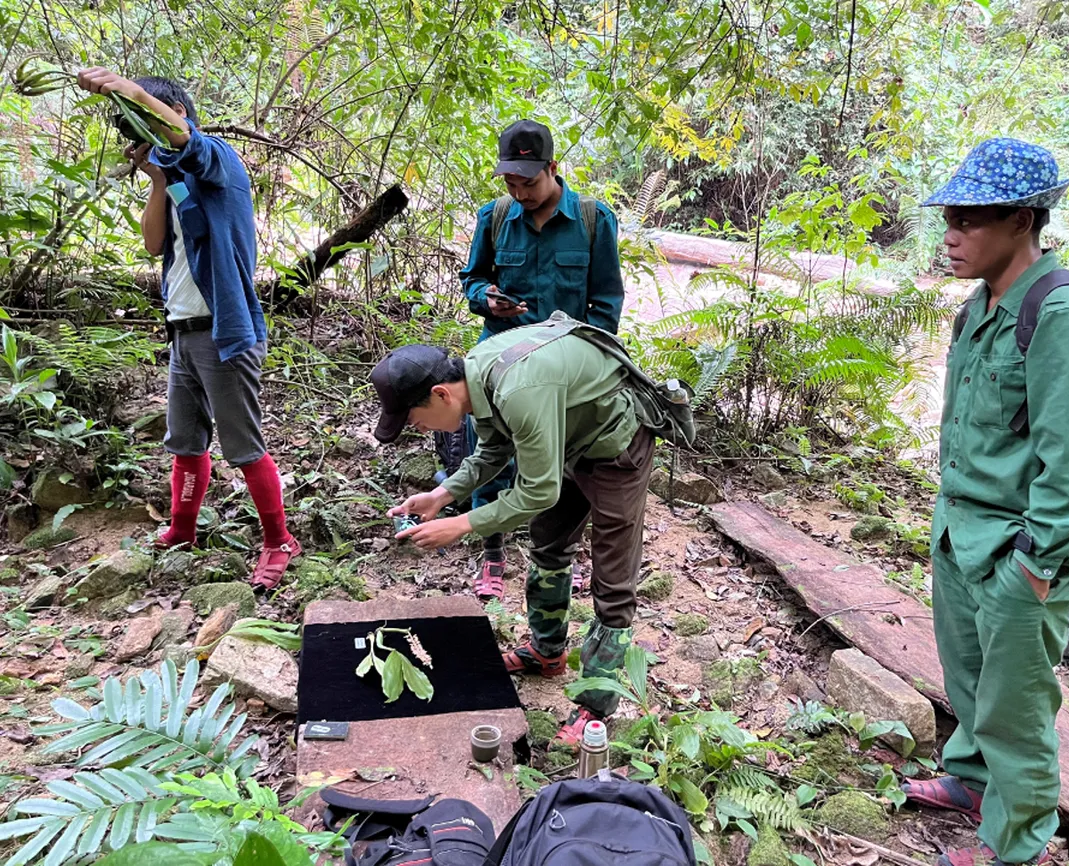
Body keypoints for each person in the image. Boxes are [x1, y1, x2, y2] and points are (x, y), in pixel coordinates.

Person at [902, 138, 1069, 866]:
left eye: (970, 220)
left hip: (1022, 551)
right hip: (961, 532)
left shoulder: (1068, 315)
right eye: (950, 218)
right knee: (969, 683)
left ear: (1023, 221)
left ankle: (1015, 842)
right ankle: (971, 782)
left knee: (1017, 709)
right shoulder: (981, 307)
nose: (952, 235)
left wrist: (1035, 563)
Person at [370, 321, 653, 744]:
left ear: (441, 394)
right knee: (549, 548)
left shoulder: (517, 390)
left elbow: (538, 490)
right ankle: (547, 652)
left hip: (617, 446)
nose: (420, 429)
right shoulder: (477, 381)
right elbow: (493, 451)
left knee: (613, 581)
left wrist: (463, 524)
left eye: (415, 419)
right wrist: (443, 495)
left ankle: (596, 707)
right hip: (565, 441)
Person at [75, 69, 300, 590]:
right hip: (182, 330)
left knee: (243, 445)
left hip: (226, 331)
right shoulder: (174, 179)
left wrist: (127, 90)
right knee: (185, 442)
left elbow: (186, 140)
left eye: (146, 121)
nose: (142, 140)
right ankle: (181, 529)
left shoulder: (218, 160)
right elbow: (155, 244)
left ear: (170, 115)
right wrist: (157, 179)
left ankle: (278, 539)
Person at [456, 119, 624, 600]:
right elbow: (473, 279)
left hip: (562, 373)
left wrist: (588, 362)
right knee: (490, 455)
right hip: (499, 363)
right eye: (510, 182)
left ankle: (556, 554)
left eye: (528, 182)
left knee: (564, 467)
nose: (520, 192)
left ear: (552, 169)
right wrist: (487, 299)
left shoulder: (594, 221)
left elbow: (606, 303)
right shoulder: (493, 217)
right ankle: (491, 553)